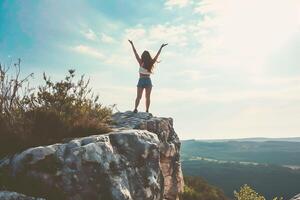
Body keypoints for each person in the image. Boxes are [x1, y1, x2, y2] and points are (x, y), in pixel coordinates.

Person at [128, 40, 168, 113]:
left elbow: (135, 53)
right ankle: (146, 110)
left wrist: (132, 44)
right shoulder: (150, 62)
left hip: (141, 80)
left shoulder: (141, 62)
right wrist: (161, 48)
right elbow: (157, 55)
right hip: (148, 80)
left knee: (139, 97)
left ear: (143, 56)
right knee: (147, 97)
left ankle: (135, 109)